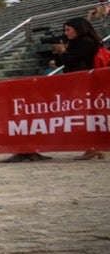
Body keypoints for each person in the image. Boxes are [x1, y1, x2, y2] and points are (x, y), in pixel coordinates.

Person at [48, 17, 107, 159]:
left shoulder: (87, 42)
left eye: (69, 30)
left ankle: (94, 147)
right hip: (76, 81)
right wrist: (58, 51)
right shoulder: (73, 43)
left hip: (85, 82)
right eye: (65, 30)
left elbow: (70, 60)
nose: (66, 33)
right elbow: (60, 63)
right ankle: (94, 147)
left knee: (86, 116)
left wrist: (63, 51)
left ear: (79, 29)